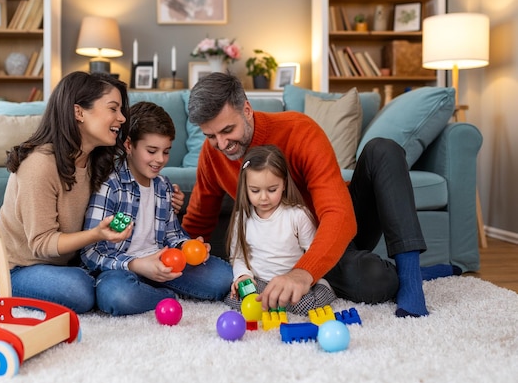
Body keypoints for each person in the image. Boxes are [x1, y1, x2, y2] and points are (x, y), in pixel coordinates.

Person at [182, 72, 460, 318]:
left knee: (383, 150)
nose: (221, 144)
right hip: (285, 250)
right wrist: (174, 256)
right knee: (377, 283)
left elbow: (339, 215)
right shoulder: (212, 155)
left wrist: (303, 274)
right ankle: (415, 274)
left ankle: (412, 278)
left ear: (246, 110)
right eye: (211, 136)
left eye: (228, 130)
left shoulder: (299, 130)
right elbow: (198, 223)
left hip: (334, 232)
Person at [0, 71, 134, 314]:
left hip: (71, 263)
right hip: (20, 270)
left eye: (121, 110)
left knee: (102, 283)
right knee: (78, 291)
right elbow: (42, 244)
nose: (121, 118)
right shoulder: (39, 165)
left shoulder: (95, 160)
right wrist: (95, 235)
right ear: (78, 112)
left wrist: (164, 196)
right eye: (113, 108)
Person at [80, 101, 232, 316]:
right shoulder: (110, 185)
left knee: (223, 277)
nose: (160, 160)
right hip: (122, 270)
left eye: (166, 151)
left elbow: (172, 235)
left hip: (164, 261)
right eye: (152, 151)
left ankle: (153, 288)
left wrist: (187, 244)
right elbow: (90, 252)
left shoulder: (163, 186)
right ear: (129, 145)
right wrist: (136, 265)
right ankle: (166, 295)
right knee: (116, 295)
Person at [224, 145, 337, 315]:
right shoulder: (242, 218)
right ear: (245, 187)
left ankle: (323, 287)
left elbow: (313, 253)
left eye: (272, 190)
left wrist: (306, 279)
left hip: (292, 282)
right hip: (261, 281)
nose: (263, 197)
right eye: (255, 190)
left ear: (284, 184)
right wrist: (243, 276)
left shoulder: (297, 215)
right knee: (234, 299)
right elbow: (238, 256)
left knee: (306, 306)